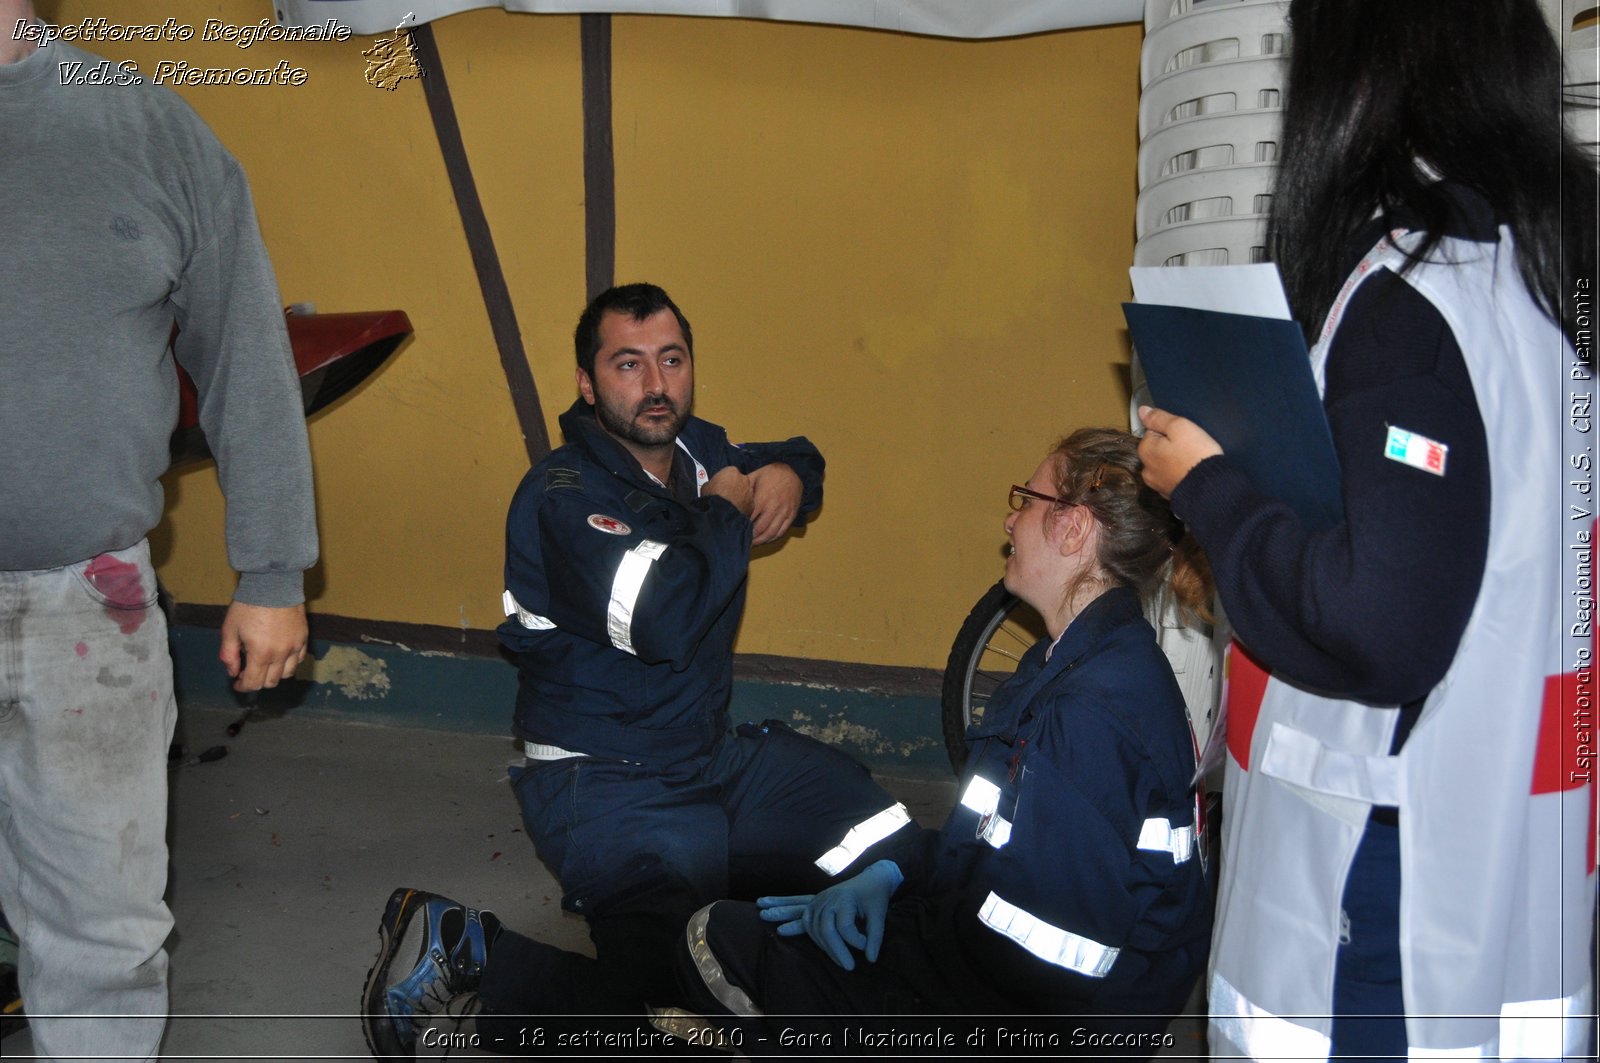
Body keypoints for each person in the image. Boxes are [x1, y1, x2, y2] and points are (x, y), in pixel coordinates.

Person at [1136, 1, 1597, 1058]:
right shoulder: (1544, 286)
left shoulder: (1409, 305)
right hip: (1509, 837)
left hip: (1383, 874)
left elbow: (1380, 622)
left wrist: (1206, 485)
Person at [361, 283, 916, 1057]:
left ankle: (765, 939)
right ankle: (467, 947)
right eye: (629, 364)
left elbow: (786, 460)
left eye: (672, 360)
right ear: (589, 385)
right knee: (675, 1014)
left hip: (710, 757)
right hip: (608, 784)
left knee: (884, 836)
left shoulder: (695, 454)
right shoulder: (564, 499)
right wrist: (726, 510)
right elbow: (666, 618)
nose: (656, 385)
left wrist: (789, 472)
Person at [674, 428, 1214, 1056]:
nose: (1011, 520)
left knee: (710, 941)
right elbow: (987, 848)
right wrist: (892, 873)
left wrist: (914, 941)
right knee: (759, 903)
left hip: (1039, 1013)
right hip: (1022, 977)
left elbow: (1047, 958)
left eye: (1028, 499)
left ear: (1073, 530)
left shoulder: (1087, 714)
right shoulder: (1076, 662)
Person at [0, 3, 318, 1059]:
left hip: (89, 607)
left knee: (103, 920)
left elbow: (246, 356)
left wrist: (272, 570)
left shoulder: (146, 126)